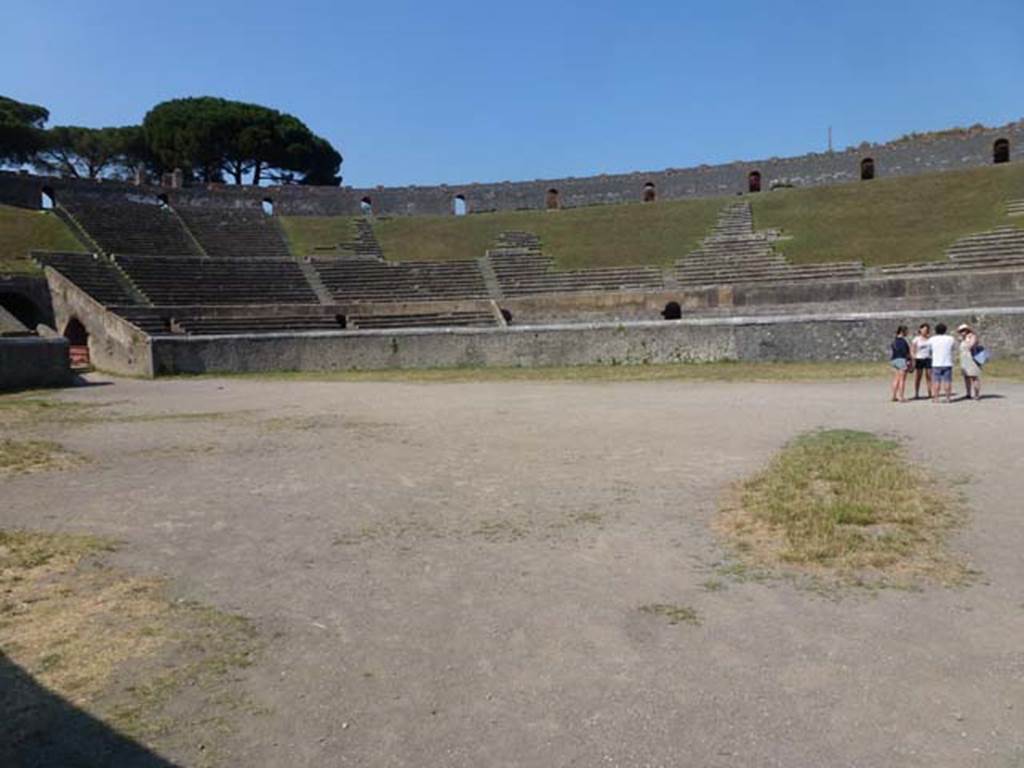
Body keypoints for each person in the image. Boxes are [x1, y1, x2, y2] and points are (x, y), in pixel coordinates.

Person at [929, 322, 956, 403]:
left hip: (936, 363)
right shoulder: (950, 338)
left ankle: (936, 398)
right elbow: (953, 348)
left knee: (936, 381)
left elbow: (929, 350)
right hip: (947, 362)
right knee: (947, 381)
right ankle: (948, 398)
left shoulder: (932, 339)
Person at [957, 323, 982, 401]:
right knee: (966, 377)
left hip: (972, 360)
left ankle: (976, 394)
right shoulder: (962, 338)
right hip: (964, 360)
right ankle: (968, 393)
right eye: (961, 331)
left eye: (963, 330)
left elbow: (971, 346)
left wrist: (967, 339)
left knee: (974, 377)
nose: (962, 332)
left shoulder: (972, 336)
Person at [889, 325, 911, 402]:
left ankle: (894, 396)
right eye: (906, 331)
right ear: (902, 332)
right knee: (902, 380)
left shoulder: (894, 340)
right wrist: (908, 360)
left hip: (894, 359)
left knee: (896, 379)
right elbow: (906, 352)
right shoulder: (903, 341)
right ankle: (901, 396)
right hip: (901, 360)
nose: (907, 333)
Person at [910, 323, 932, 399]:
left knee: (929, 376)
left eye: (927, 330)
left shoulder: (930, 339)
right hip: (919, 359)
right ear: (920, 329)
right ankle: (916, 393)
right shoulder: (916, 339)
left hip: (928, 358)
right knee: (918, 377)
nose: (925, 331)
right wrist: (913, 359)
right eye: (924, 329)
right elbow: (912, 350)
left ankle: (930, 393)